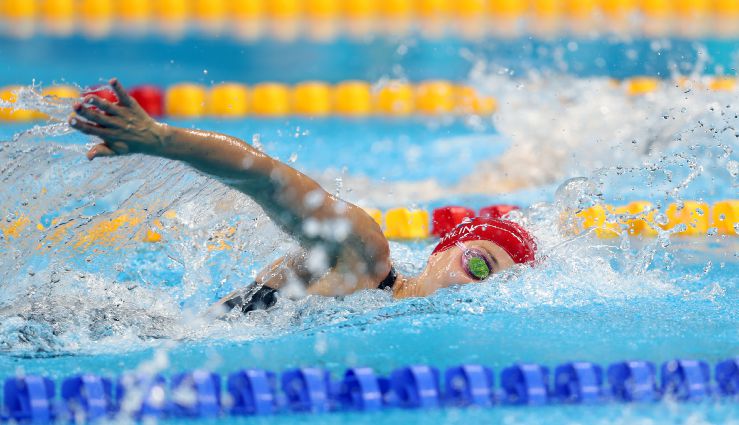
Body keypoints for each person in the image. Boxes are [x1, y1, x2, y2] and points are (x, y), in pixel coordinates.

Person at [69, 79, 538, 315]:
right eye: (480, 265)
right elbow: (266, 177)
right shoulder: (365, 256)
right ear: (442, 253)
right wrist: (163, 139)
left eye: (495, 285)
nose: (477, 286)